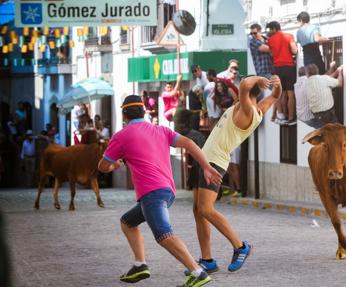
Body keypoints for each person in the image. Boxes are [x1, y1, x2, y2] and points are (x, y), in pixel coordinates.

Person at [97, 95, 222, 286]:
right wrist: (206, 166)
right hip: (167, 191)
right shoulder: (161, 130)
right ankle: (140, 265)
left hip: (152, 193)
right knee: (128, 222)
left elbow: (103, 166)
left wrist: (115, 166)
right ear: (144, 112)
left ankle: (198, 273)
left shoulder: (121, 136)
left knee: (164, 235)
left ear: (124, 115)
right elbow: (189, 143)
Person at [191, 75, 282, 274]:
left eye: (241, 94)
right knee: (198, 211)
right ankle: (207, 260)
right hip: (205, 159)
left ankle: (241, 246)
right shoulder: (258, 108)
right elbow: (275, 95)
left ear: (247, 96)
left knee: (206, 209)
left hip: (214, 161)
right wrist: (277, 83)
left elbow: (243, 85)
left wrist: (258, 78)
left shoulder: (248, 110)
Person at [265, 21, 298, 125]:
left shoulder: (270, 40)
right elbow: (294, 51)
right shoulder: (289, 36)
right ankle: (291, 117)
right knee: (290, 94)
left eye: (270, 29)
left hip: (277, 68)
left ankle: (284, 115)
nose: (269, 32)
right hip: (289, 66)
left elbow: (271, 53)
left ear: (274, 28)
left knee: (282, 93)